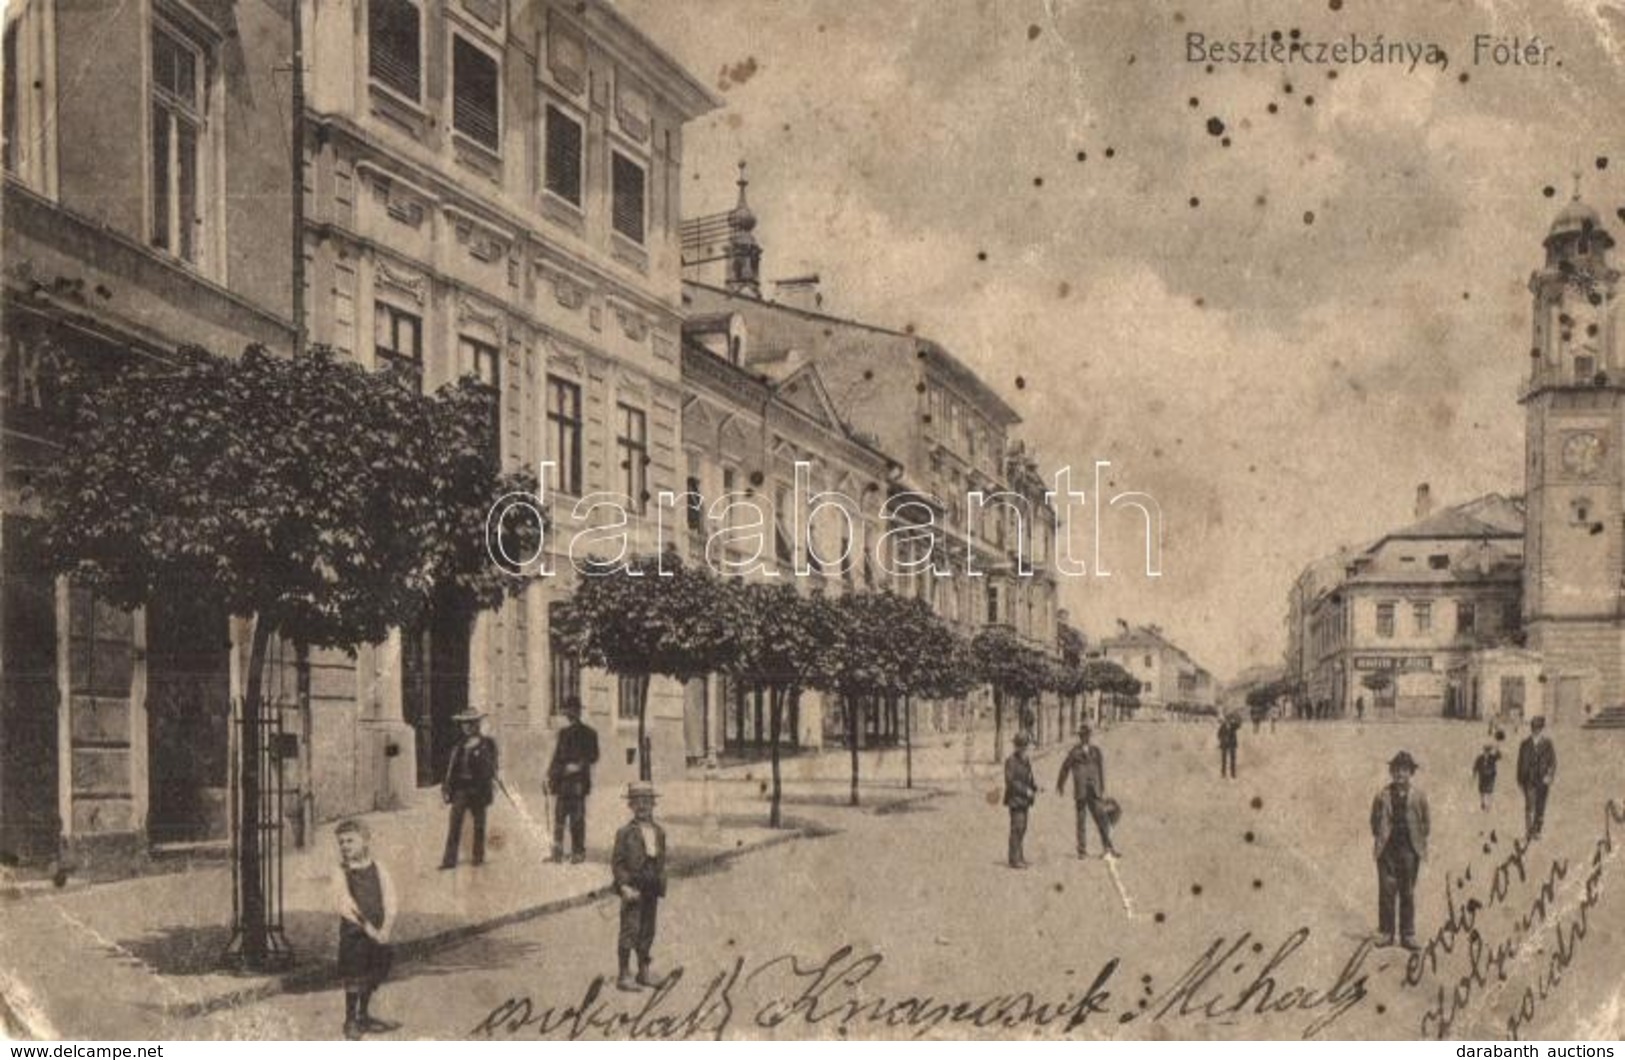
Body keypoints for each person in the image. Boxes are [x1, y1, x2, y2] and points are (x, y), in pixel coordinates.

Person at [334, 819, 397, 1039]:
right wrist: (369, 929)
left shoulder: (379, 868)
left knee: (372, 971)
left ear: (366, 841)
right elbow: (346, 904)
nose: (345, 846)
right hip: (355, 934)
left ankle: (364, 1015)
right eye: (341, 842)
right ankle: (350, 1019)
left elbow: (390, 898)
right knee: (354, 974)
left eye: (350, 840)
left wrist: (386, 927)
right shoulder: (341, 871)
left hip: (378, 932)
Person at [1370, 750, 1429, 951]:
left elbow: (1426, 823)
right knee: (1386, 892)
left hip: (1409, 850)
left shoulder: (1419, 796)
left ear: (1411, 773)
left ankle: (1408, 934)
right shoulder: (1382, 795)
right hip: (1387, 850)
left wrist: (1416, 843)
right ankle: (1386, 932)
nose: (1400, 775)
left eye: (1404, 770)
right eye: (1396, 770)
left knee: (1407, 892)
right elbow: (1374, 821)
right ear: (1391, 772)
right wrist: (1381, 838)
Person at [612, 782, 668, 991]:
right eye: (637, 802)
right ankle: (624, 974)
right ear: (631, 806)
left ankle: (643, 972)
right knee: (630, 929)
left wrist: (660, 881)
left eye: (647, 801)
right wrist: (624, 886)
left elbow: (661, 859)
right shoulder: (625, 833)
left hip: (651, 887)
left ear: (653, 804)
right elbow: (617, 864)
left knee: (647, 930)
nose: (642, 806)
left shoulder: (660, 832)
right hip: (633, 888)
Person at [440, 710, 499, 869]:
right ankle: (449, 860)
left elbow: (492, 767)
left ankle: (478, 857)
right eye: (464, 723)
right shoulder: (459, 745)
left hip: (478, 789)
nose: (466, 726)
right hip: (461, 789)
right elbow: (450, 768)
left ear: (476, 724)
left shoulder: (487, 743)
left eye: (470, 723)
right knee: (455, 823)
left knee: (479, 824)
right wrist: (446, 786)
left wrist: (489, 781)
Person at [547, 697, 600, 864]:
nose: (569, 713)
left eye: (572, 710)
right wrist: (548, 776)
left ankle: (578, 852)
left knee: (577, 819)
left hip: (578, 783)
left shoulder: (589, 733)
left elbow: (593, 755)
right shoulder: (562, 733)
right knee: (559, 818)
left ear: (578, 711)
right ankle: (557, 852)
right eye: (567, 710)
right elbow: (556, 757)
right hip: (562, 782)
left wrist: (578, 766)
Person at [1056, 725, 1119, 859]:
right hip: (1081, 791)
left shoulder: (1096, 751)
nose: (1085, 737)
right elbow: (1065, 768)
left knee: (1102, 818)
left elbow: (1101, 770)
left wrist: (1101, 787)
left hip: (1094, 790)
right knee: (1081, 820)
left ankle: (1108, 847)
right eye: (1083, 735)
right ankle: (1082, 850)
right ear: (1080, 737)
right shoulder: (1074, 752)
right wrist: (1060, 784)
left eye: (1087, 735)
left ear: (1090, 736)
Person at [1516, 715, 1558, 840]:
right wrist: (1519, 779)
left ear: (1541, 729)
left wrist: (1549, 776)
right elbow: (1520, 762)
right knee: (1529, 805)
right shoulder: (1525, 744)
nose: (1536, 730)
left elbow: (1553, 762)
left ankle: (1537, 830)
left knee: (1540, 806)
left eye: (1538, 728)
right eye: (1534, 727)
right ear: (1531, 728)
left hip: (1543, 780)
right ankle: (1529, 830)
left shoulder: (1547, 744)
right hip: (1529, 779)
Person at [1003, 732, 1038, 869]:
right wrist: (1026, 791)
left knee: (1022, 828)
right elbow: (1011, 782)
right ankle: (1014, 859)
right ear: (1019, 747)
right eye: (1025, 747)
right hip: (1015, 800)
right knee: (1017, 828)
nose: (1027, 749)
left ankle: (1020, 856)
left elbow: (1029, 778)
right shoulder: (1011, 761)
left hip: (1024, 800)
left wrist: (1034, 787)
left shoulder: (1025, 760)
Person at [1471, 742, 1501, 811]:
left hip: (1490, 777)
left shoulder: (1492, 757)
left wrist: (1497, 748)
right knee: (1482, 790)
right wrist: (1474, 775)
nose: (1486, 752)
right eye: (1485, 751)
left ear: (1489, 751)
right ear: (1484, 751)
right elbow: (1475, 766)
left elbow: (1499, 756)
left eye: (1488, 751)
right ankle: (1482, 802)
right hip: (1482, 776)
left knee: (1489, 791)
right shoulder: (1480, 758)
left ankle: (1488, 805)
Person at [1218, 714, 1239, 779]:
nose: (1227, 721)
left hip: (1232, 745)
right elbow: (1218, 734)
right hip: (1224, 745)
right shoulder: (1222, 726)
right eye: (1226, 720)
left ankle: (1233, 774)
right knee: (1224, 760)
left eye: (1229, 720)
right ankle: (1223, 773)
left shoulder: (1233, 726)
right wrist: (1223, 739)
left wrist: (1235, 720)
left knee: (1232, 760)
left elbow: (1239, 725)